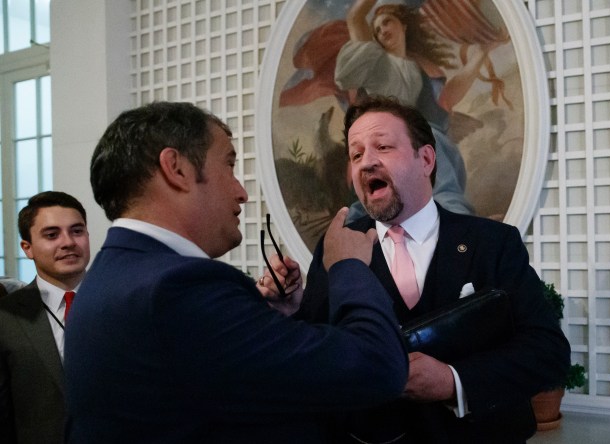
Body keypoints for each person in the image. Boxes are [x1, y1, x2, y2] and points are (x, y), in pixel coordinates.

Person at [64, 101, 408, 443]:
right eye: (229, 165)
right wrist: (347, 266)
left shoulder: (106, 278)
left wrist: (275, 318)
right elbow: (377, 367)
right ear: (176, 169)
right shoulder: (178, 290)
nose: (241, 193)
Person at [259, 96, 571, 443]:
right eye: (356, 154)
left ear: (425, 159)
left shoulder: (493, 243)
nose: (366, 163)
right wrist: (293, 309)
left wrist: (454, 381)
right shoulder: (336, 248)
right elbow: (321, 352)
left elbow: (548, 352)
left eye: (383, 146)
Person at [334, 0, 505, 220]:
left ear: (403, 26)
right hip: (385, 146)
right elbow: (356, 18)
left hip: (409, 148)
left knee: (429, 145)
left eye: (387, 22)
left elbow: (447, 98)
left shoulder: (417, 68)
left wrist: (481, 53)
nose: (382, 30)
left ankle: (452, 222)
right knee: (427, 142)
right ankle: (456, 222)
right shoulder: (376, 60)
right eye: (377, 29)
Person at [0, 191, 91, 444]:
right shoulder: (6, 317)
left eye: (77, 231)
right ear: (27, 248)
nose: (68, 242)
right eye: (52, 235)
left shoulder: (122, 303)